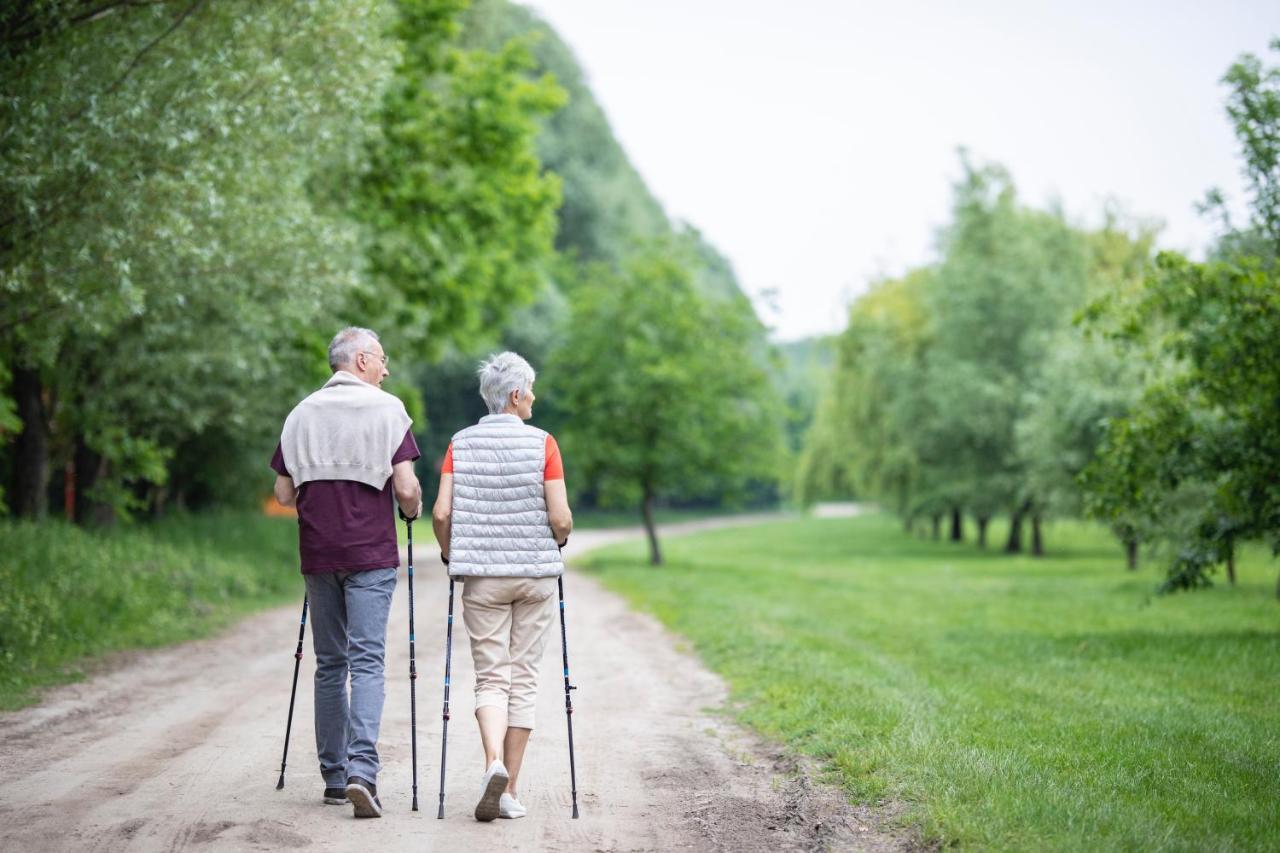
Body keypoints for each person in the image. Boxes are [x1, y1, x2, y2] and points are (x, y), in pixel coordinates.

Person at [270, 326, 422, 819]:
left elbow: (283, 494)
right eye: (380, 359)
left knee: (330, 664)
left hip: (319, 554)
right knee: (368, 662)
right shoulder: (388, 409)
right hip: (370, 554)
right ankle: (363, 771)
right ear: (360, 360)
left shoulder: (300, 413)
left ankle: (335, 778)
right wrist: (414, 508)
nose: (386, 368)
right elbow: (405, 490)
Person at [431, 351, 573, 822]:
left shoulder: (459, 443)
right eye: (529, 389)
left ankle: (491, 760)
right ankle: (509, 789)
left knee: (491, 677)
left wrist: (451, 554)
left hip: (482, 579)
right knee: (524, 680)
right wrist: (561, 538)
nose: (533, 397)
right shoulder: (544, 443)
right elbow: (559, 517)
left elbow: (441, 513)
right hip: (534, 577)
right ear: (516, 395)